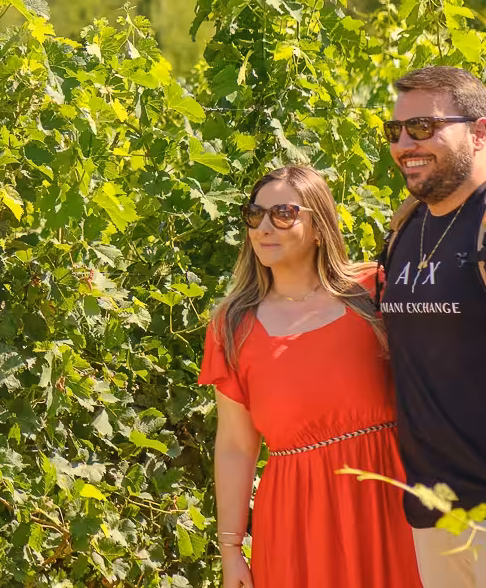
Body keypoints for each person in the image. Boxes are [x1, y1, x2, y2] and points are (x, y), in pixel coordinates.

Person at [200, 164, 421, 588]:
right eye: (255, 214)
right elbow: (234, 447)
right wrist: (230, 550)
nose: (265, 226)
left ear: (319, 226)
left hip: (391, 495)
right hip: (297, 514)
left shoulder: (373, 291)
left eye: (283, 213)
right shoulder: (232, 325)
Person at [381, 66, 486, 588]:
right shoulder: (406, 227)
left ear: (479, 131)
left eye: (424, 127)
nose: (405, 144)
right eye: (395, 131)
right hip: (435, 511)